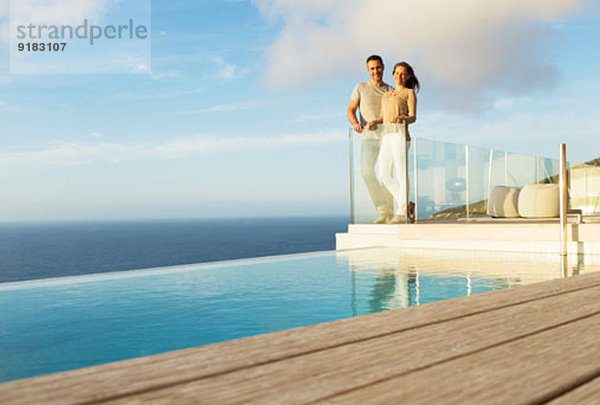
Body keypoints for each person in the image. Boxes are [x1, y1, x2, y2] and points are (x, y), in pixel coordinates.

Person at [367, 61, 419, 224]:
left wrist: (404, 119)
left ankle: (401, 212)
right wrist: (374, 122)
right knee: (383, 174)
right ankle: (406, 204)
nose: (399, 76)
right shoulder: (386, 95)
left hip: (400, 135)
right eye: (397, 73)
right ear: (393, 74)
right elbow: (383, 118)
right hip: (387, 137)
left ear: (408, 76)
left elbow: (413, 117)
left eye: (403, 74)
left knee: (401, 174)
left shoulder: (409, 93)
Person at [347, 55, 394, 224]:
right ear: (368, 70)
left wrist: (379, 121)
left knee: (386, 174)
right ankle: (383, 206)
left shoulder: (390, 91)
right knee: (367, 172)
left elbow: (391, 115)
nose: (376, 71)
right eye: (372, 68)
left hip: (387, 138)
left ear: (383, 68)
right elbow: (351, 109)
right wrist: (355, 123)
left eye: (378, 67)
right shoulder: (360, 87)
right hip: (368, 138)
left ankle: (387, 211)